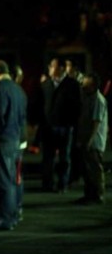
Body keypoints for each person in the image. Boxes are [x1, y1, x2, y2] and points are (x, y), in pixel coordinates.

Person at [0, 59, 27, 230]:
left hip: (2, 140)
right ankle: (14, 213)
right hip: (16, 140)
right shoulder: (18, 89)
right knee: (14, 179)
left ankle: (5, 218)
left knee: (3, 181)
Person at [40, 56, 81, 193]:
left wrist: (72, 124)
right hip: (48, 126)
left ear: (61, 68)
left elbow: (77, 107)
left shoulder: (72, 85)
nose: (50, 69)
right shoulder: (46, 85)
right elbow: (40, 105)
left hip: (65, 126)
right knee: (48, 158)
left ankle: (63, 184)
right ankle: (47, 184)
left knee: (65, 157)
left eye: (53, 66)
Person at [75, 73, 108, 204]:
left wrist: (89, 140)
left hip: (94, 141)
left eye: (86, 84)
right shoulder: (89, 98)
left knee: (95, 169)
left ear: (93, 86)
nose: (83, 86)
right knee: (87, 170)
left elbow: (96, 121)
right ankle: (89, 194)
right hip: (86, 139)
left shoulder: (98, 100)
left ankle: (98, 195)